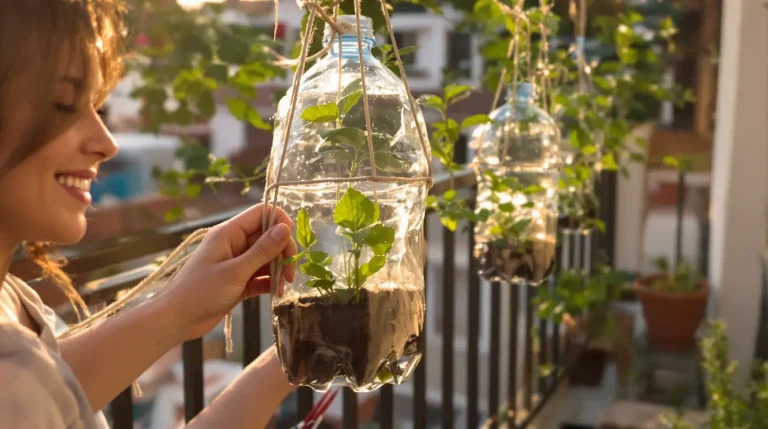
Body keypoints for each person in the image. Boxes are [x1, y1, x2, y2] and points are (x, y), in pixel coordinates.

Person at [0, 1, 299, 428]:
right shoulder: (11, 375)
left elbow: (58, 389)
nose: (107, 142)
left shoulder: (12, 307)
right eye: (64, 104)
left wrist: (182, 307)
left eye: (96, 107)